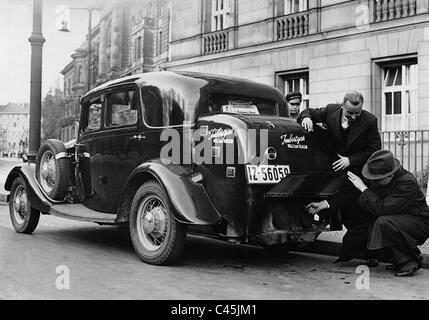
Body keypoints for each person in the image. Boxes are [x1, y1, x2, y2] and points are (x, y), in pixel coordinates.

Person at [338, 150, 429, 277]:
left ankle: (409, 261)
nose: (373, 182)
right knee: (370, 221)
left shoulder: (407, 182)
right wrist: (325, 204)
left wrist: (363, 188)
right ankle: (396, 259)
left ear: (390, 175)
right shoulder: (381, 179)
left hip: (419, 223)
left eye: (377, 179)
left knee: (383, 222)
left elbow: (383, 209)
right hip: (400, 220)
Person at [300, 91, 381, 231]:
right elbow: (309, 111)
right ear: (342, 106)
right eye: (350, 113)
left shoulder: (370, 120)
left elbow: (374, 150)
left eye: (358, 113)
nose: (354, 117)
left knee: (353, 211)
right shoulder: (331, 110)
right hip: (333, 169)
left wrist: (350, 160)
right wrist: (306, 118)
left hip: (356, 171)